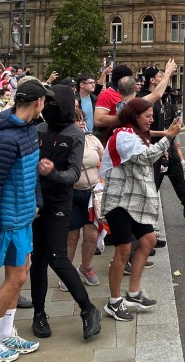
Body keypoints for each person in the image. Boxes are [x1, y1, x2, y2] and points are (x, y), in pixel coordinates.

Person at [0, 80, 48, 361]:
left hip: (24, 215)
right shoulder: (7, 139)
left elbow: (32, 173)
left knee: (19, 275)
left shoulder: (27, 130)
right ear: (37, 103)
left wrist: (36, 202)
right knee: (15, 277)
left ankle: (5, 333)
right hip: (9, 219)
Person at [30, 85, 101, 341]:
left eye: (52, 102)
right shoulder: (37, 128)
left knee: (57, 257)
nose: (47, 106)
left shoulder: (75, 134)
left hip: (60, 202)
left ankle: (88, 309)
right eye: (45, 102)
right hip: (35, 202)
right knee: (37, 259)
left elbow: (73, 174)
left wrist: (52, 173)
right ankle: (39, 313)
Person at [100, 98, 181, 322]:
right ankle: (114, 302)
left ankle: (133, 293)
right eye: (147, 116)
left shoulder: (135, 135)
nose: (151, 119)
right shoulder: (123, 135)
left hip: (135, 199)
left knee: (148, 241)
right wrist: (169, 136)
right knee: (123, 250)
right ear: (134, 116)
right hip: (119, 200)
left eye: (151, 115)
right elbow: (144, 158)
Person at [141, 67, 185, 220]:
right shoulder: (144, 99)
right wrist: (165, 134)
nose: (163, 77)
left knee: (176, 172)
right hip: (152, 149)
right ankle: (147, 221)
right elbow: (141, 131)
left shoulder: (162, 99)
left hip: (164, 145)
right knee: (152, 185)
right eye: (160, 75)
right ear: (152, 80)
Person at [67, 106, 105, 288]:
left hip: (92, 194)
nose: (81, 123)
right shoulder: (66, 140)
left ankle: (86, 267)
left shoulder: (93, 140)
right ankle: (66, 273)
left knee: (91, 235)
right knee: (71, 237)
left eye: (82, 119)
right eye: (76, 119)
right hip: (72, 194)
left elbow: (105, 162)